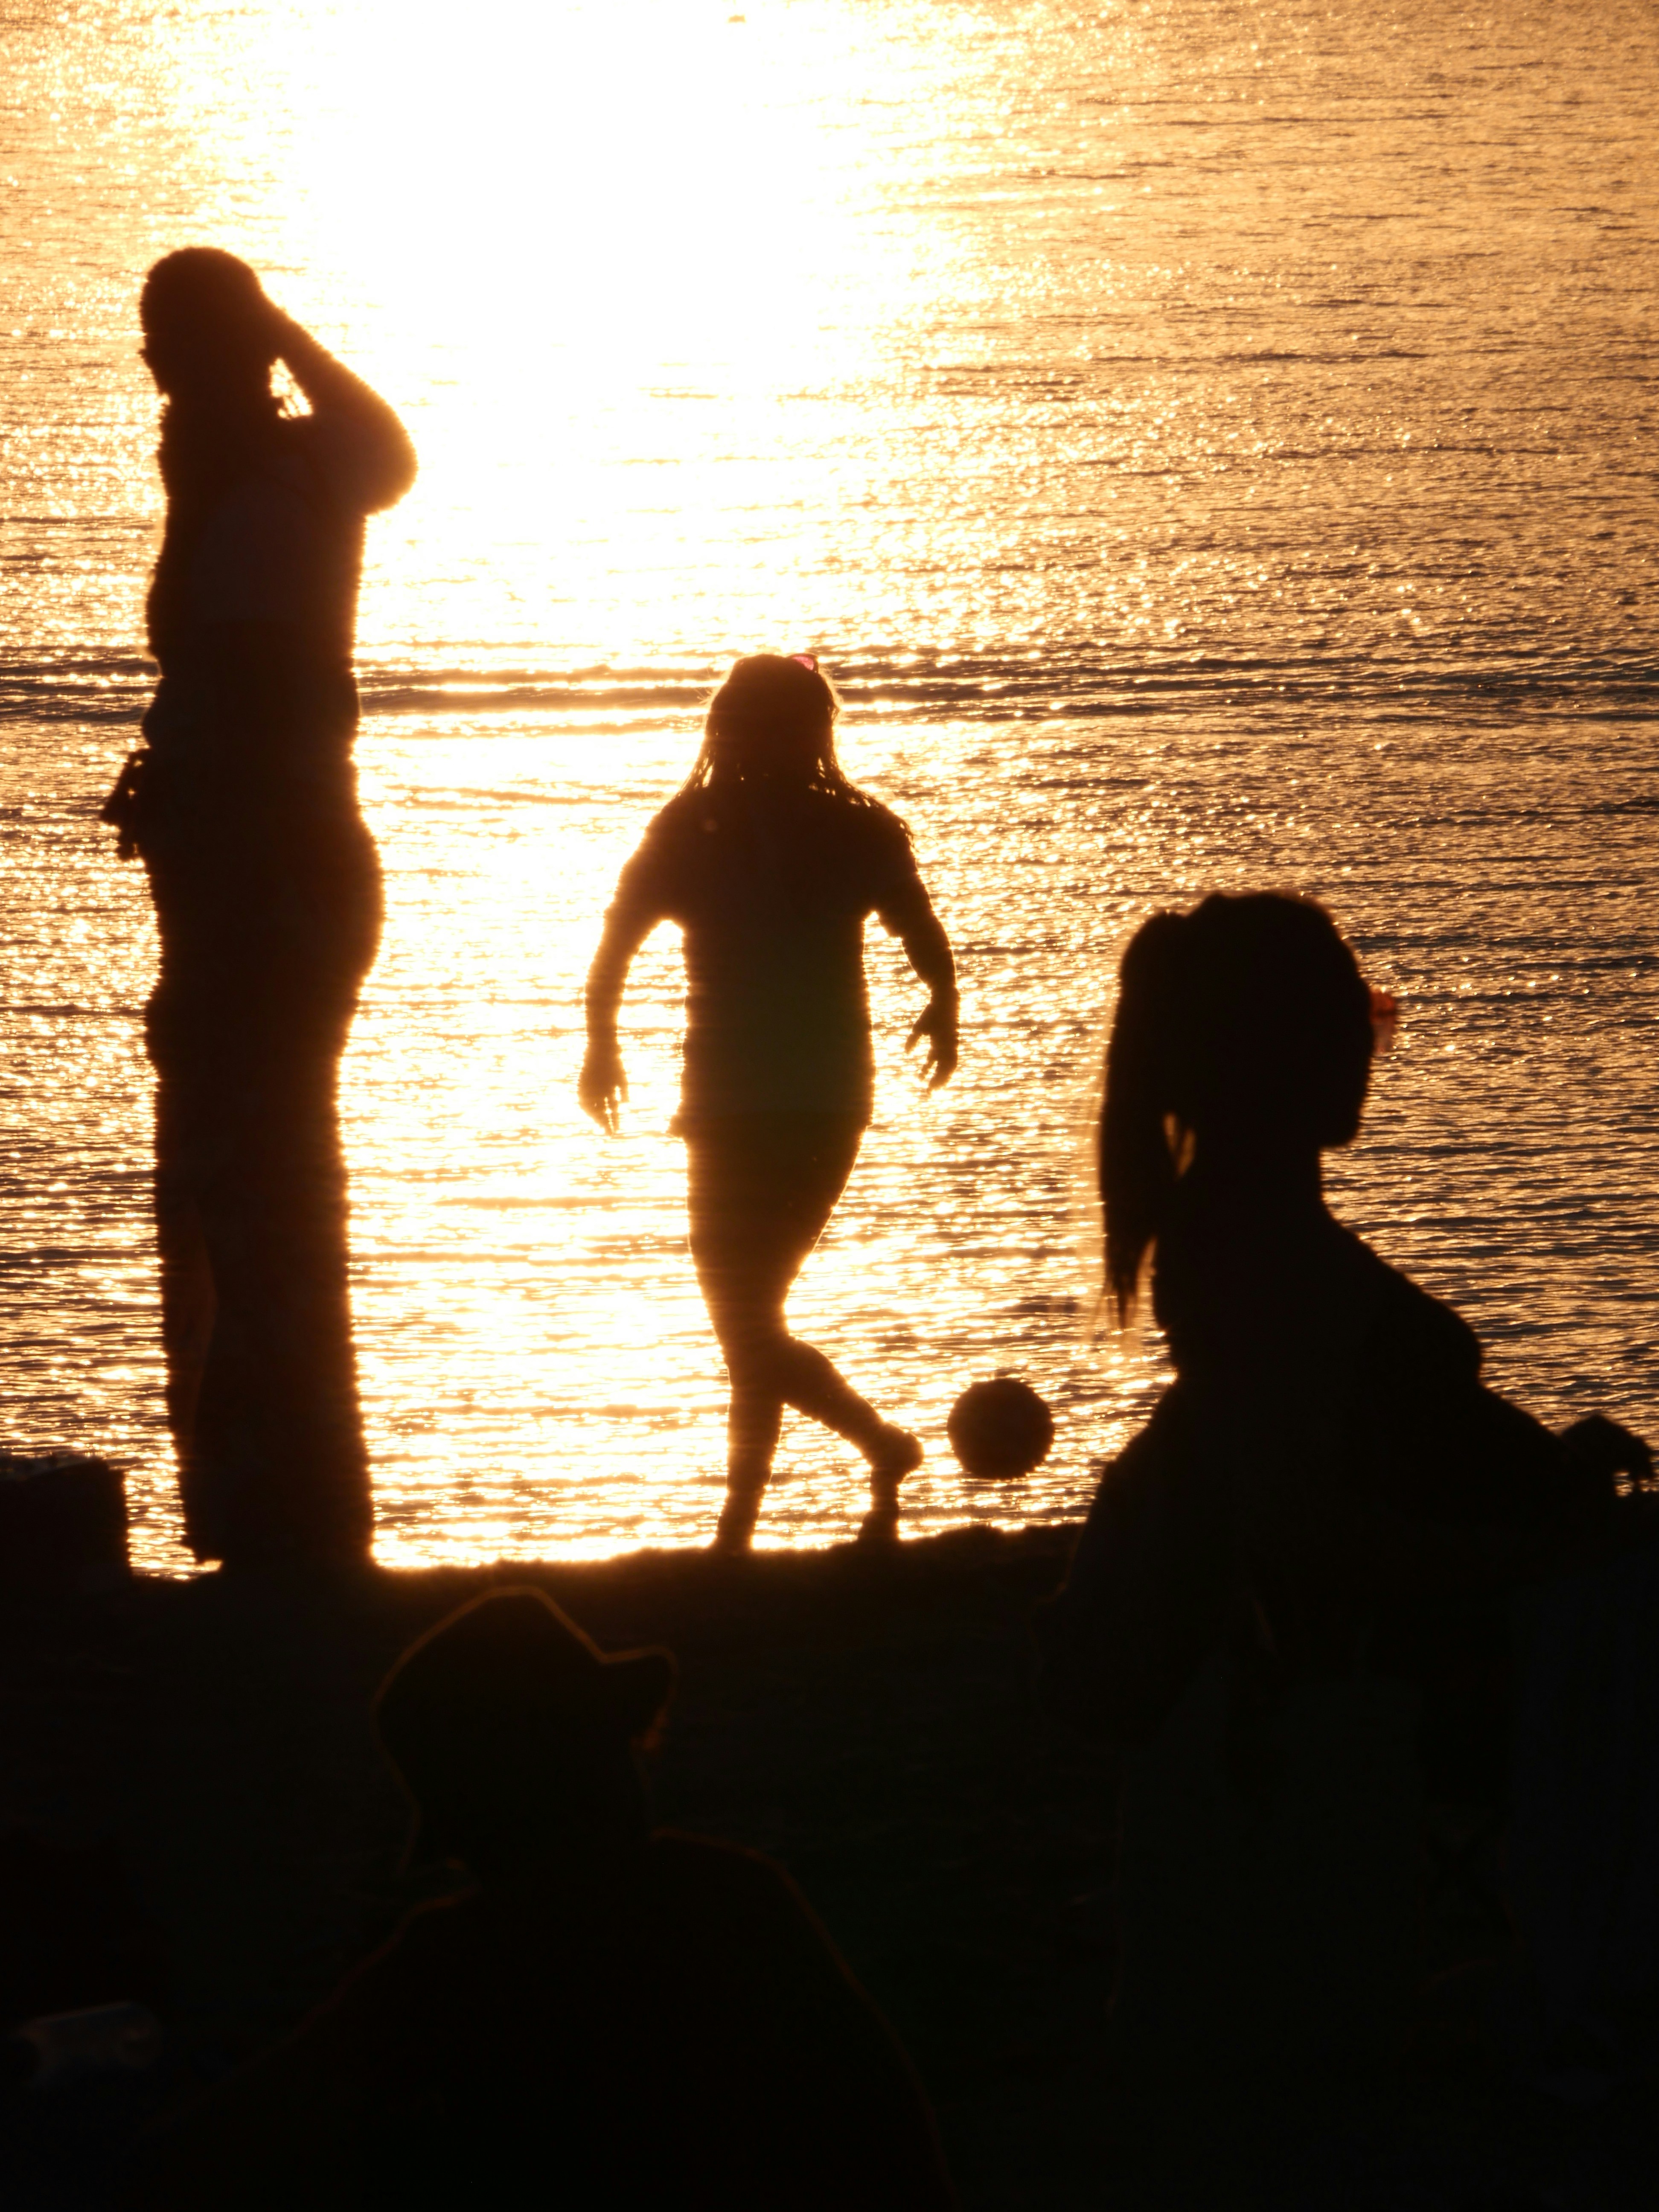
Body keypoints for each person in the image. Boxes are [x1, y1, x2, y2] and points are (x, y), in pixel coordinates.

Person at [1039, 892, 1653, 2118]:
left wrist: (1542, 1480)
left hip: (1474, 1609)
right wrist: (1539, 1544)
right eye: (1348, 1025)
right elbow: (1315, 1533)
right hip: (1442, 1662)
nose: (1367, 1052)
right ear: (1272, 1052)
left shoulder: (1252, 1228)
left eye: (1364, 1022)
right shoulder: (1253, 1254)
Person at [128, 1588, 959, 2210]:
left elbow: (245, 2130)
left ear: (468, 1826)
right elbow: (888, 2124)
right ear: (605, 1759)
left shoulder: (456, 1961)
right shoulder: (735, 1895)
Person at [104, 248, 416, 1571]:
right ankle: (254, 1503)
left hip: (273, 878)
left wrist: (274, 325)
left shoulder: (282, 477)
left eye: (167, 338)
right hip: (254, 870)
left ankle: (282, 1510)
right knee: (238, 1184)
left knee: (257, 1186)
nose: (148, 365)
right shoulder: (246, 471)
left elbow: (390, 454)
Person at [579, 654, 959, 1550]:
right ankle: (764, 1514)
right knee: (753, 1317)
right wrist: (600, 1042)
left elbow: (924, 937)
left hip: (780, 1103)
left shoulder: (784, 828)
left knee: (746, 1317)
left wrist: (944, 1005)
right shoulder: (731, 829)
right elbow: (618, 943)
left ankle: (842, 1464)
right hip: (772, 1102)